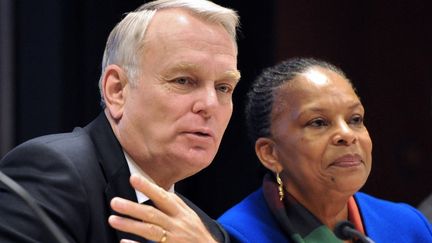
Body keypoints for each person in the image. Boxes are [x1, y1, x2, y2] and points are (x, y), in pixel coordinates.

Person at [0, 0, 241, 242]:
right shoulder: (53, 174)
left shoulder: (207, 232)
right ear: (117, 90)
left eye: (223, 87)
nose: (210, 104)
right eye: (183, 80)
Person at [218, 57, 432, 242]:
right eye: (318, 122)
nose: (347, 135)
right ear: (270, 153)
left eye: (355, 119)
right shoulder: (232, 235)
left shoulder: (409, 226)